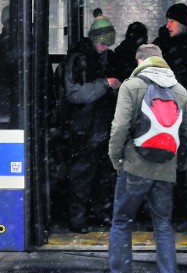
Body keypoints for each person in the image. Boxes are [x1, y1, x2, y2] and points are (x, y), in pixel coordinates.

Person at [108, 44, 187, 273]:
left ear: (140, 62)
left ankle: (121, 270)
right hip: (165, 169)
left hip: (134, 167)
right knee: (163, 225)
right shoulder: (180, 91)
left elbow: (120, 127)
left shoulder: (131, 86)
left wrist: (116, 158)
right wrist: (177, 160)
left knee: (121, 222)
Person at [64, 14, 121, 233]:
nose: (105, 47)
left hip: (102, 127)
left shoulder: (108, 57)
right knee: (82, 176)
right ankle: (78, 220)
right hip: (84, 129)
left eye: (108, 43)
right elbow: (75, 94)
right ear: (93, 39)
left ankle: (100, 214)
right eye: (102, 43)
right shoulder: (78, 60)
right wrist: (105, 84)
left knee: (103, 176)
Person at [153, 3, 187, 229]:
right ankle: (167, 214)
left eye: (172, 21)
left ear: (184, 23)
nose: (167, 25)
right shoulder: (161, 45)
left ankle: (178, 211)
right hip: (164, 116)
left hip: (182, 114)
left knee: (181, 166)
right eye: (167, 20)